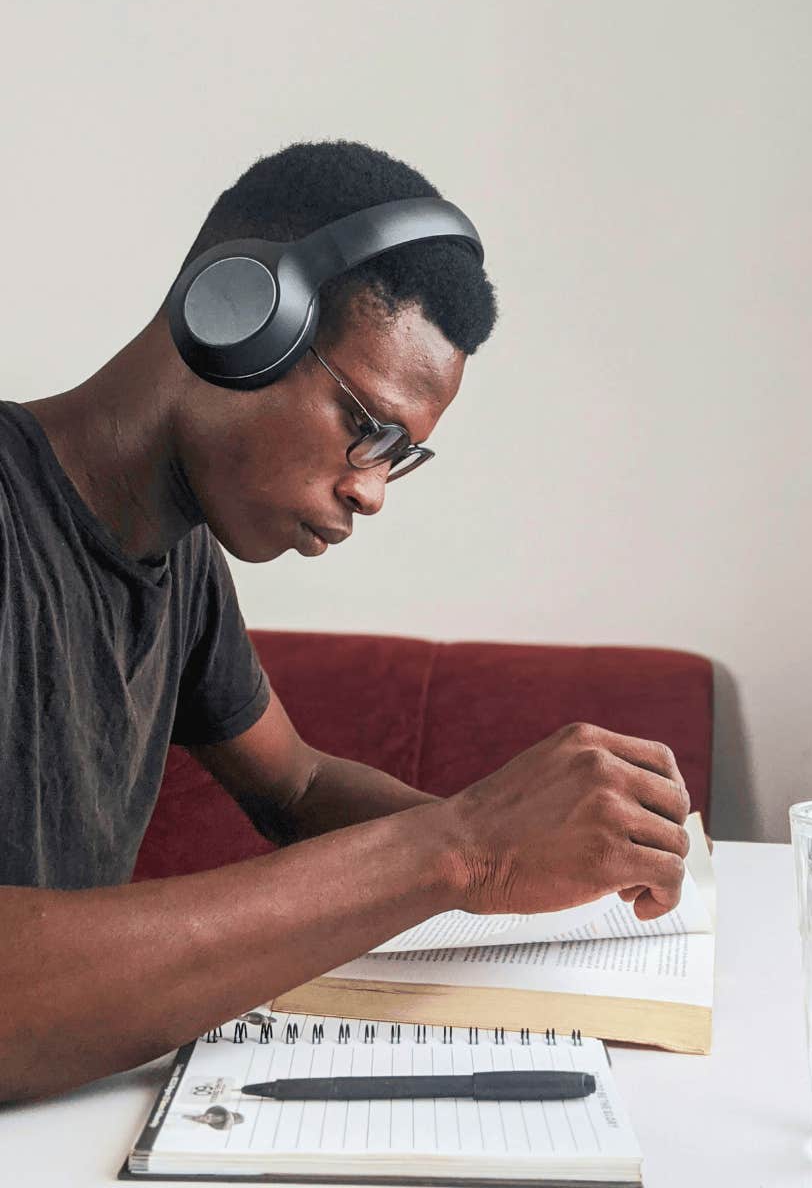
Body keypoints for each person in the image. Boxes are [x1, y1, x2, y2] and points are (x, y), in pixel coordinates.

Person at [0, 140, 690, 1103]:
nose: (370, 493)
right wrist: (463, 849)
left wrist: (549, 857)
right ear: (236, 314)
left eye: (399, 457)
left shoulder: (181, 561)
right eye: (366, 425)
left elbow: (302, 785)